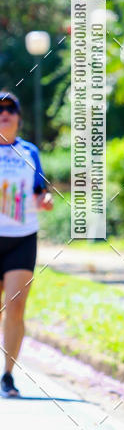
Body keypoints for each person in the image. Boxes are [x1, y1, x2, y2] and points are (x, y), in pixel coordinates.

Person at [0, 91, 53, 397]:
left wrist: (44, 200)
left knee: (16, 306)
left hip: (22, 239)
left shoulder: (29, 152)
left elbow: (39, 191)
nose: (4, 113)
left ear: (18, 117)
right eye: (0, 109)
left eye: (10, 109)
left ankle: (7, 375)